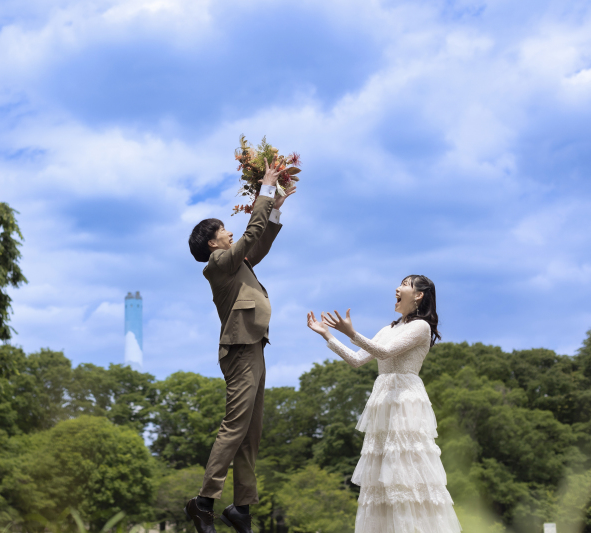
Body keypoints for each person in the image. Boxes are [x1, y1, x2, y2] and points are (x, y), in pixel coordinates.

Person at [184, 158, 296, 533]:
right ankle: (203, 502)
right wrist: (264, 190)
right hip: (240, 349)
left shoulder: (235, 264)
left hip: (253, 345)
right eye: (224, 230)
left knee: (251, 431)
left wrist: (275, 209)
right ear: (213, 242)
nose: (230, 233)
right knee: (234, 427)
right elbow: (249, 237)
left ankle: (242, 508)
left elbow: (256, 247)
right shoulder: (217, 264)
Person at [306, 275, 461, 533]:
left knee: (407, 477)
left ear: (419, 295)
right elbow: (357, 359)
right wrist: (328, 336)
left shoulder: (420, 327)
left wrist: (351, 332)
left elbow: (386, 353)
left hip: (405, 403)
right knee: (381, 481)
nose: (397, 289)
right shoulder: (388, 329)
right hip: (383, 402)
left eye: (405, 285)